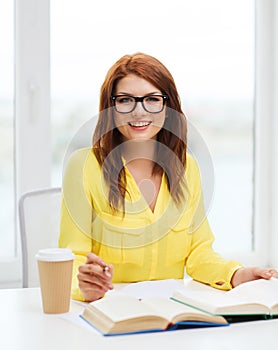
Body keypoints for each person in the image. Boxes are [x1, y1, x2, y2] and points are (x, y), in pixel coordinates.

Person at [59, 52, 278, 302]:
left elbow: (199, 252)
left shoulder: (187, 168)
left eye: (152, 99)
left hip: (170, 315)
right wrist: (85, 285)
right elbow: (72, 257)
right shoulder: (84, 166)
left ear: (168, 107)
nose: (139, 112)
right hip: (110, 312)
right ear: (111, 108)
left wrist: (237, 275)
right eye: (125, 100)